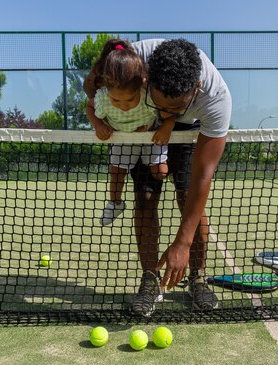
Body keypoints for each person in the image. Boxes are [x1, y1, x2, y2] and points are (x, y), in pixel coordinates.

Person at [84, 38, 231, 317]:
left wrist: (182, 242)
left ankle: (197, 277)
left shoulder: (216, 100)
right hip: (145, 130)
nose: (165, 112)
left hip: (192, 132)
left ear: (195, 90)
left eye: (173, 108)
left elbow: (204, 174)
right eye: (159, 104)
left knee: (189, 196)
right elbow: (91, 86)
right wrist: (97, 92)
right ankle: (149, 280)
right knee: (146, 198)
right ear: (145, 78)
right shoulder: (133, 59)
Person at [85, 39, 177, 226]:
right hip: (120, 137)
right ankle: (115, 203)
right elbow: (88, 107)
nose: (124, 106)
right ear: (106, 89)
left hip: (150, 136)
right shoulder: (102, 98)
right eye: (116, 101)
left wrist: (166, 126)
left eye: (129, 99)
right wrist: (98, 125)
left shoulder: (149, 96)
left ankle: (177, 172)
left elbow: (169, 114)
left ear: (140, 87)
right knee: (117, 171)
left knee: (160, 173)